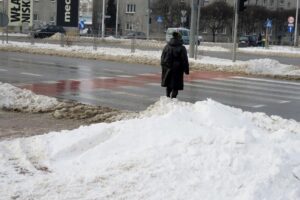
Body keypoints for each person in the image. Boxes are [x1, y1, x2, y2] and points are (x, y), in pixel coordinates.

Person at [160, 31, 189, 98]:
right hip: (177, 69)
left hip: (167, 68)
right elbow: (184, 60)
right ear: (179, 38)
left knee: (168, 84)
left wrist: (164, 66)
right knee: (175, 85)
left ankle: (167, 97)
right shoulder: (182, 48)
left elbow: (162, 57)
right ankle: (173, 99)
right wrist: (186, 70)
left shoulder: (167, 46)